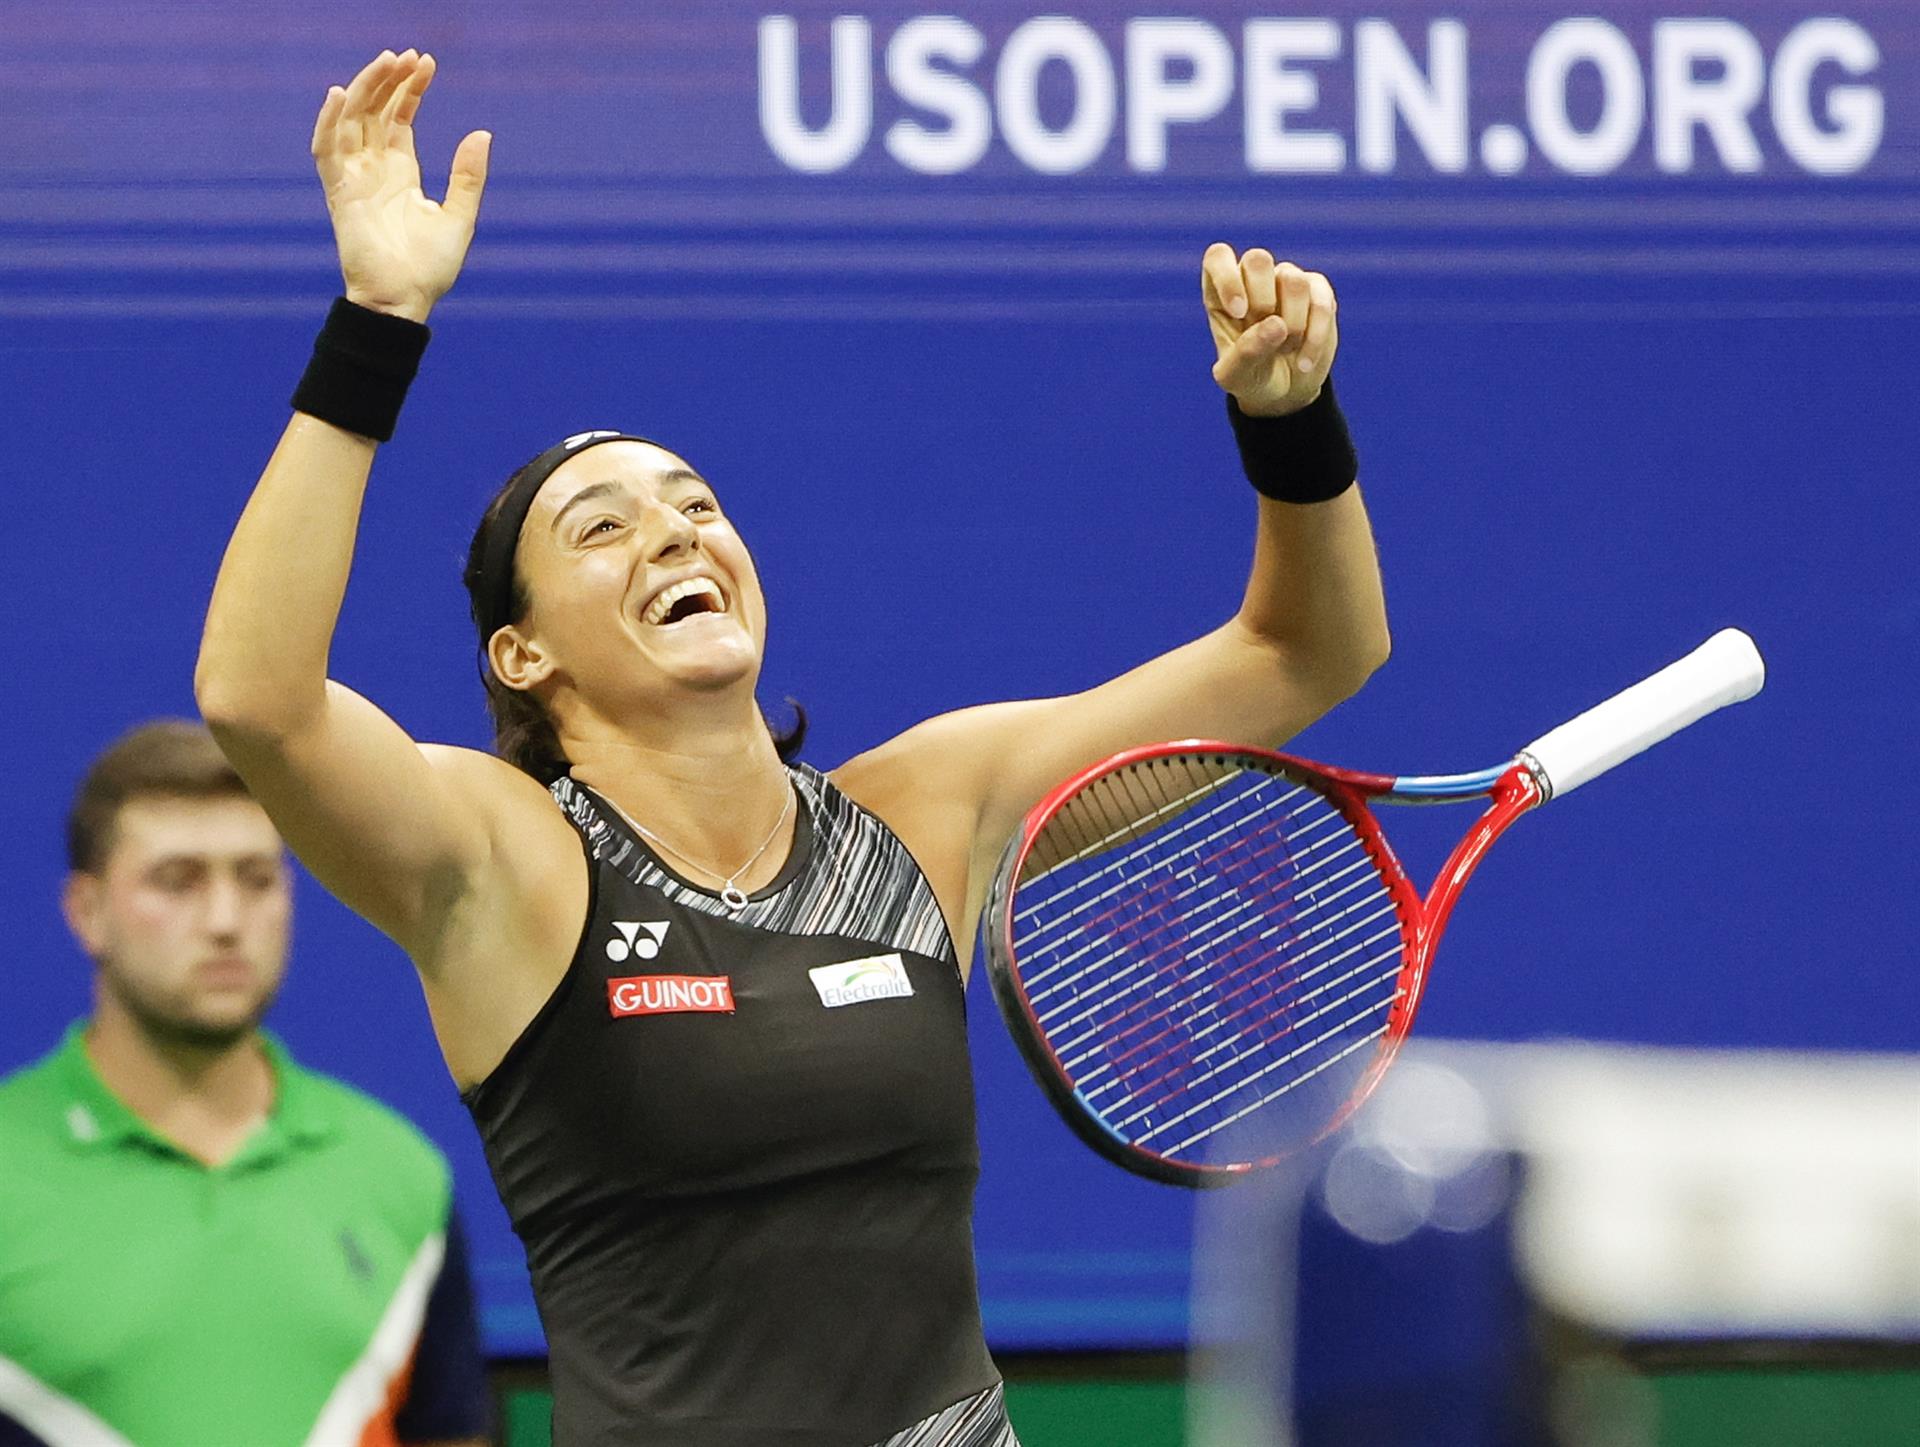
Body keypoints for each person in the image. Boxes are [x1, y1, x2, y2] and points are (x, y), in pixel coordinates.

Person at [193, 47, 1390, 1447]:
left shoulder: (928, 810)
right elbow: (257, 700)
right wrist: (378, 320)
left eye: (695, 504)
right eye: (603, 527)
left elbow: (1309, 649)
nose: (676, 532)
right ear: (522, 655)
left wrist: (1288, 416)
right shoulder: (499, 856)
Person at [0, 720, 491, 1447]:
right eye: (178, 880)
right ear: (87, 910)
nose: (226, 920)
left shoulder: (400, 1176)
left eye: (256, 878)